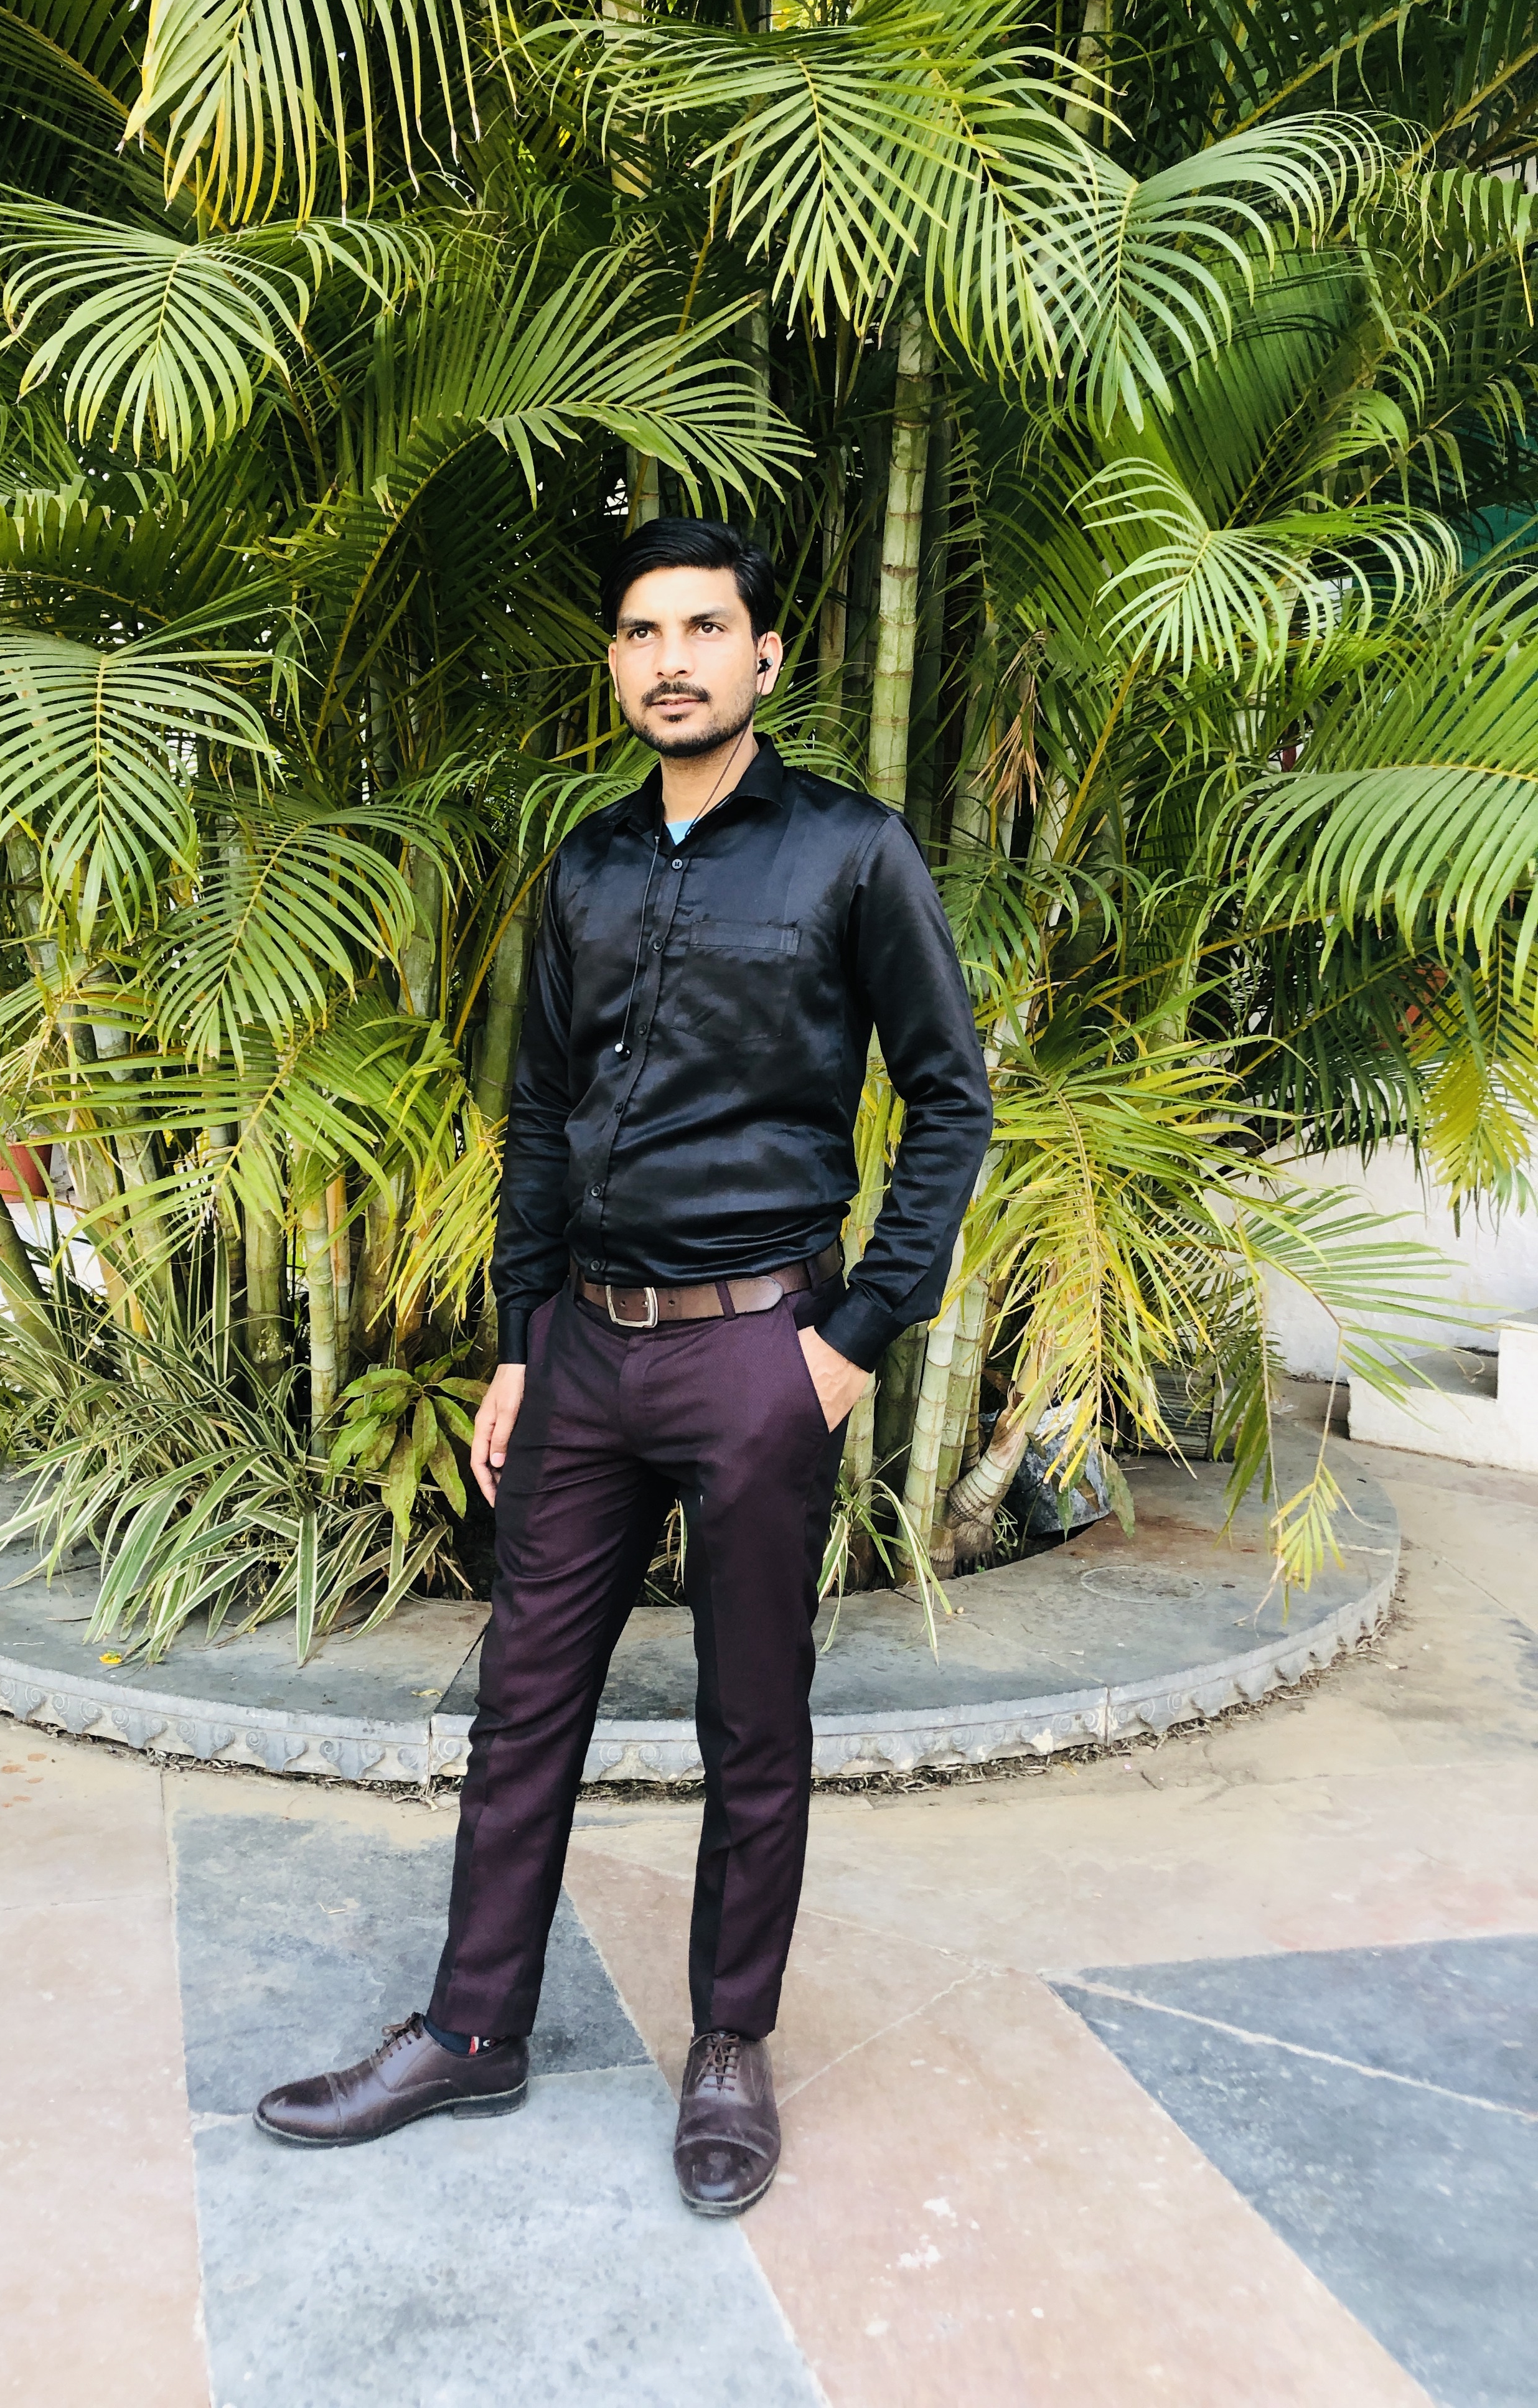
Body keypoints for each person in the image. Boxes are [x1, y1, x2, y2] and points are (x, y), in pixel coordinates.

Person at [255, 518, 993, 2214]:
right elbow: (537, 1116)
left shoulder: (854, 853)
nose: (674, 660)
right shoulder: (583, 868)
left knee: (753, 1718)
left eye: (705, 630)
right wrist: (523, 1343)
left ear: (765, 658)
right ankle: (471, 2030)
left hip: (760, 1354)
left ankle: (730, 2046)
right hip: (585, 1351)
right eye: (646, 633)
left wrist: (854, 1341)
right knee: (524, 1706)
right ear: (615, 663)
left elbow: (951, 1101)